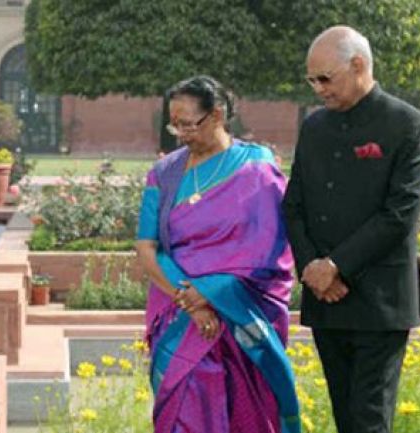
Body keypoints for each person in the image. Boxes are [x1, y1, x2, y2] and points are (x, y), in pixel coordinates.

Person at [282, 26, 420, 433]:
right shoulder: (314, 127)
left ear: (357, 65)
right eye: (311, 80)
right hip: (325, 296)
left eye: (324, 78)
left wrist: (336, 265)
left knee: (368, 418)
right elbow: (293, 205)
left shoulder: (406, 123)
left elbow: (400, 212)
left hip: (380, 300)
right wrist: (312, 269)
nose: (317, 88)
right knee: (344, 414)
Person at [135, 75, 301, 433]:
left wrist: (211, 294)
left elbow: (268, 244)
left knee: (246, 413)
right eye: (174, 124)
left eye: (188, 124)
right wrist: (190, 300)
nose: (179, 134)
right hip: (179, 312)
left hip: (239, 313)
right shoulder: (164, 174)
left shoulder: (256, 167)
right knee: (183, 411)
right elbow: (147, 246)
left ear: (217, 116)